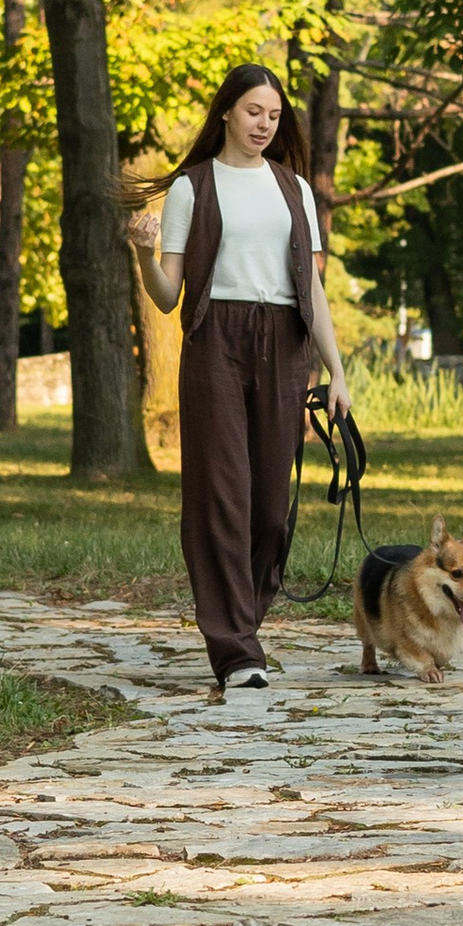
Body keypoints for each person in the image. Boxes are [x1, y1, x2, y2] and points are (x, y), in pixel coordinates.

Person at [132, 61, 351, 698]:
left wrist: (336, 371)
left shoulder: (295, 191)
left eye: (274, 116)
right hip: (216, 346)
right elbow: (169, 295)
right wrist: (143, 253)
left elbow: (310, 285)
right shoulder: (191, 189)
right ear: (227, 111)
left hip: (285, 345)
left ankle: (241, 623)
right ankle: (234, 650)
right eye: (254, 111)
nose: (264, 124)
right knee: (222, 496)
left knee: (270, 513)